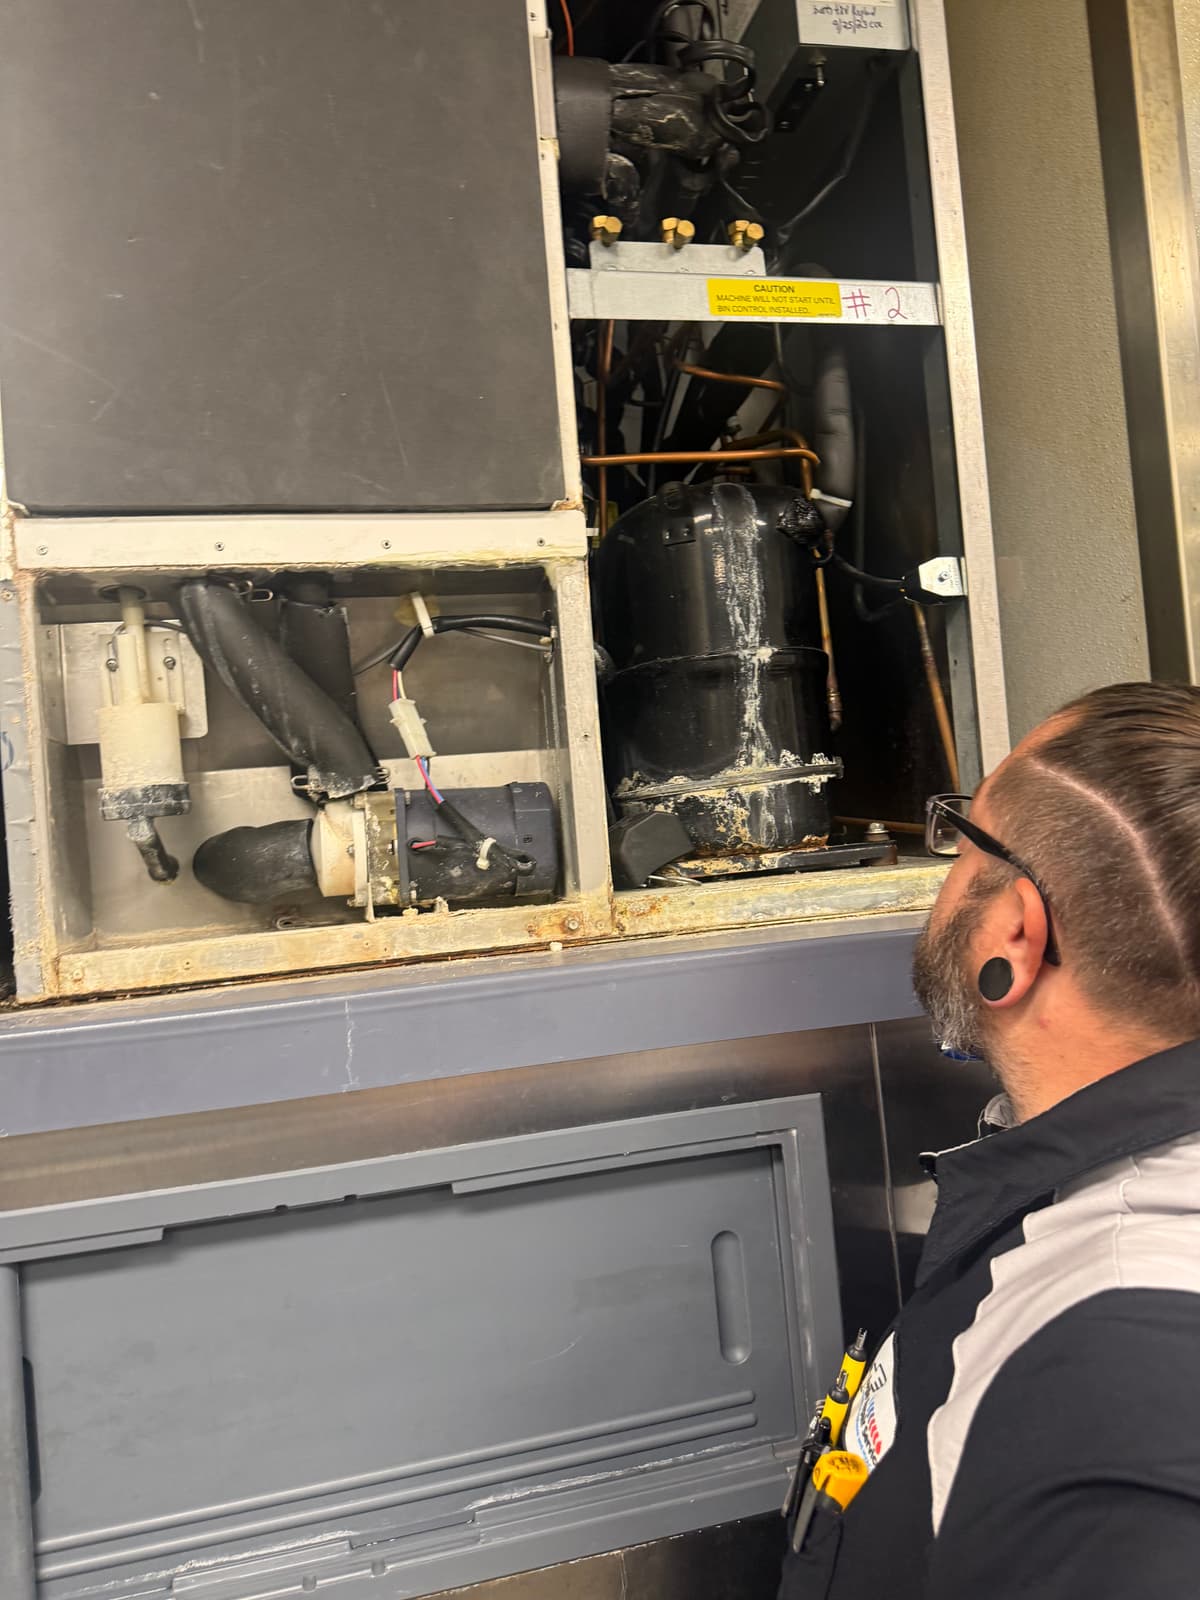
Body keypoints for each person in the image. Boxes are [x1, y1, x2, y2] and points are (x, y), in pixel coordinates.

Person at [779, 680, 1200, 1599]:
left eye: (963, 836)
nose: (945, 866)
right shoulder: (1063, 1199)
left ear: (1014, 932)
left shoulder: (1115, 1362)